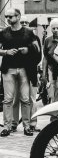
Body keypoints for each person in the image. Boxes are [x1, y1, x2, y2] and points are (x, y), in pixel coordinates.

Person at [0, 8, 41, 137]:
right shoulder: (4, 33)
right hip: (8, 69)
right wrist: (5, 52)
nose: (8, 19)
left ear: (18, 17)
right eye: (7, 16)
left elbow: (37, 49)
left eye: (10, 17)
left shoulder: (28, 33)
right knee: (8, 99)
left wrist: (27, 50)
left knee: (25, 99)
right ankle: (7, 126)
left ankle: (27, 126)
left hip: (24, 69)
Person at [12, 16, 42, 133]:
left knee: (31, 99)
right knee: (15, 99)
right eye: (22, 22)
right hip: (16, 72)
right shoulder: (14, 37)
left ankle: (32, 123)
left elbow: (38, 57)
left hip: (31, 73)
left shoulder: (34, 38)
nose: (24, 24)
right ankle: (14, 123)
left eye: (26, 22)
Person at [42, 18, 58, 103]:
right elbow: (45, 57)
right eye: (53, 28)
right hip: (52, 70)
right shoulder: (48, 40)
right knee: (54, 92)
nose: (55, 30)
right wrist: (44, 74)